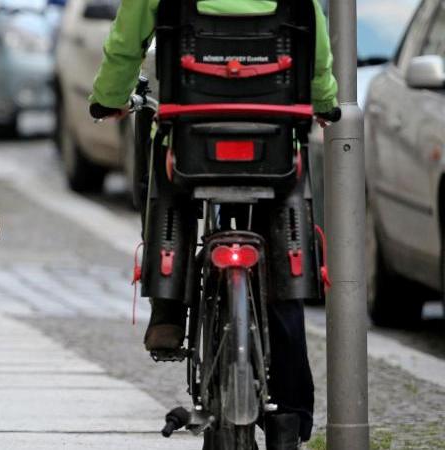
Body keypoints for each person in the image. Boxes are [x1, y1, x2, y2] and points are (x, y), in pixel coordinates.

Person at [89, 0, 339, 447]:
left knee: (166, 177)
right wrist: (323, 102)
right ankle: (293, 415)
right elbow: (314, 39)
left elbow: (126, 43)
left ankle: (167, 308)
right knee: (285, 252)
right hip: (276, 133)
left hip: (190, 131)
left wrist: (109, 98)